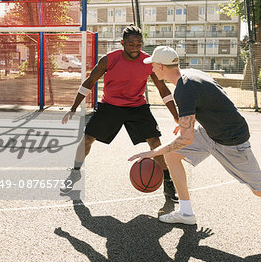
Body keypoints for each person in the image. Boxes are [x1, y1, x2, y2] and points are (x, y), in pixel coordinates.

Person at [129, 46, 261, 238]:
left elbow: (185, 138)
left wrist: (152, 152)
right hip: (210, 131)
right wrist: (190, 122)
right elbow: (215, 101)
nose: (152, 68)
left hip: (232, 141)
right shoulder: (190, 75)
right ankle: (186, 212)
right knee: (171, 155)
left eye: (153, 65)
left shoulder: (183, 89)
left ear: (162, 67)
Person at [62, 26, 179, 201]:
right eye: (131, 44)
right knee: (87, 139)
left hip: (137, 107)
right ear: (122, 43)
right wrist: (73, 107)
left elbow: (162, 89)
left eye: (139, 44)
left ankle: (168, 182)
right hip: (110, 106)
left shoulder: (148, 62)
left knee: (155, 142)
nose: (135, 48)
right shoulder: (109, 60)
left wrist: (176, 116)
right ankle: (75, 172)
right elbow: (90, 81)